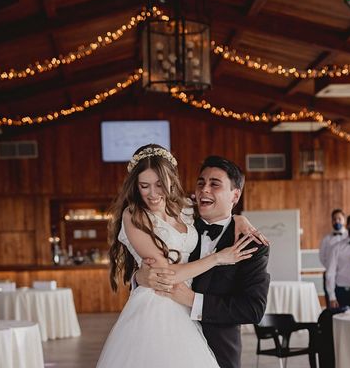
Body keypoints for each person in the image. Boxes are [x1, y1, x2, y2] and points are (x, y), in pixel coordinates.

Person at [96, 147, 262, 368]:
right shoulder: (135, 215)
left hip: (218, 345)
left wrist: (238, 218)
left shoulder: (184, 211)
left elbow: (252, 309)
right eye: (144, 186)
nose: (153, 193)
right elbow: (161, 274)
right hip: (158, 314)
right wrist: (218, 258)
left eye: (215, 184)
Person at [136, 155, 270, 368]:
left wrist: (192, 300)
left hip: (218, 352)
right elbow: (152, 266)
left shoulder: (250, 244)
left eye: (214, 184)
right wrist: (138, 277)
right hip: (164, 343)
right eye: (201, 183)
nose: (204, 189)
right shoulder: (180, 230)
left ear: (235, 195)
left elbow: (252, 309)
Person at [325, 213, 350, 308]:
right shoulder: (336, 248)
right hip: (342, 291)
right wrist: (332, 296)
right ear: (347, 226)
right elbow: (330, 272)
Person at [319, 208, 347, 306]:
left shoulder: (349, 237)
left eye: (339, 218)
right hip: (330, 275)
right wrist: (332, 267)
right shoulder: (326, 239)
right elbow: (322, 257)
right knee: (331, 306)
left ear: (344, 220)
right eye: (334, 219)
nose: (337, 221)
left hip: (346, 275)